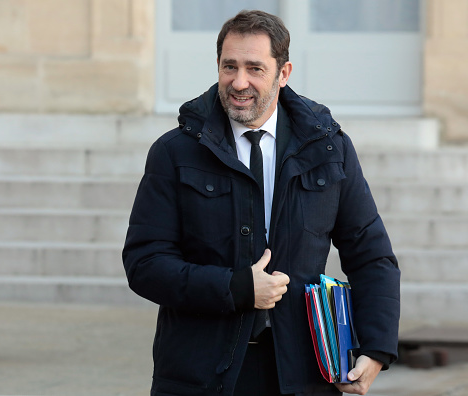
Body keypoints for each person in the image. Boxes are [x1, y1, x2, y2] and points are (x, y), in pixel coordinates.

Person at [123, 10, 400, 396]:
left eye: (255, 68)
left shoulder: (329, 148)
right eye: (229, 66)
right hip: (201, 372)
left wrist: (376, 347)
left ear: (283, 73)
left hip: (303, 373)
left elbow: (371, 255)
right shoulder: (175, 152)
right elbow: (145, 264)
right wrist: (236, 288)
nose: (239, 82)